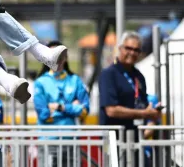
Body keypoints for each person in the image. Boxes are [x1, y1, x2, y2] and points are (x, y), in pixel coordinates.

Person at [98, 31, 162, 166]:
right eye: (128, 48)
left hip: (136, 140)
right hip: (115, 141)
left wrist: (152, 116)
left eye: (136, 50)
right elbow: (111, 110)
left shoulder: (139, 76)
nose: (132, 53)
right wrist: (144, 113)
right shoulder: (108, 74)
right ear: (120, 48)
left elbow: (142, 106)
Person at [33, 40, 90, 167]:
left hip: (71, 142)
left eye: (59, 55)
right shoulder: (40, 83)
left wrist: (59, 107)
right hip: (48, 142)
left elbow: (85, 111)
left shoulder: (75, 80)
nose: (56, 59)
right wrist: (73, 108)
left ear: (66, 58)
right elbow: (44, 115)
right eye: (52, 55)